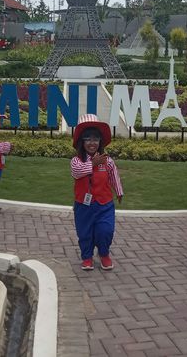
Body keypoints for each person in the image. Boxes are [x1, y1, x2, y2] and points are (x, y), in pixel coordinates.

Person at [71, 114, 123, 271]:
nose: (92, 143)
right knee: (85, 232)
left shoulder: (107, 160)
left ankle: (104, 253)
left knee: (105, 230)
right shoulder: (76, 160)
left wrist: (119, 191)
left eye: (95, 139)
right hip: (83, 205)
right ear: (82, 141)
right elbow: (77, 173)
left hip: (104, 203)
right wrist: (92, 164)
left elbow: (114, 175)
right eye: (88, 139)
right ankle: (87, 257)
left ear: (100, 141)